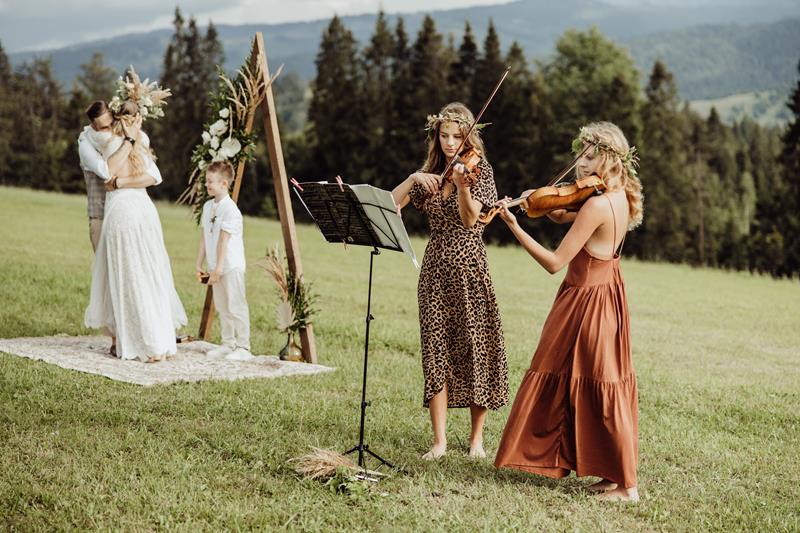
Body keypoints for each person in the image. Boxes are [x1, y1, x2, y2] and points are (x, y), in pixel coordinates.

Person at [493, 121, 643, 502]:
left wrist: (514, 225)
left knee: (598, 384)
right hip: (607, 295)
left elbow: (555, 262)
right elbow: (567, 216)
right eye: (580, 156)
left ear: (608, 161)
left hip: (586, 301)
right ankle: (613, 476)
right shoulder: (617, 197)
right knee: (599, 382)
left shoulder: (596, 204)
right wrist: (543, 205)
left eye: (589, 157)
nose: (580, 165)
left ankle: (627, 487)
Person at [391, 102, 508, 460]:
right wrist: (413, 179)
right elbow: (392, 205)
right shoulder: (431, 174)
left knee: (475, 347)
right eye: (444, 135)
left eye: (457, 136)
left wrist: (462, 187)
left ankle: (476, 440)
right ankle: (439, 441)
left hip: (470, 267)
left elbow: (471, 220)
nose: (450, 142)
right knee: (435, 349)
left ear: (469, 136)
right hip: (435, 271)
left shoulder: (480, 171)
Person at [84, 100, 187, 362]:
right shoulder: (130, 140)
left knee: (133, 276)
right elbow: (150, 176)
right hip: (141, 209)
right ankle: (151, 341)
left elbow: (141, 176)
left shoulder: (113, 143)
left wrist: (120, 182)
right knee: (143, 274)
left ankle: (148, 342)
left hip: (128, 211)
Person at [195, 161, 252, 361]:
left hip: (230, 265)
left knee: (236, 304)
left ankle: (244, 346)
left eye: (210, 182)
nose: (207, 185)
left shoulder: (231, 210)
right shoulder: (208, 206)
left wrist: (219, 268)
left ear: (224, 184)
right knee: (222, 306)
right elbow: (204, 237)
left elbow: (223, 241)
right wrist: (199, 263)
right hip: (215, 266)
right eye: (206, 181)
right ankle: (228, 343)